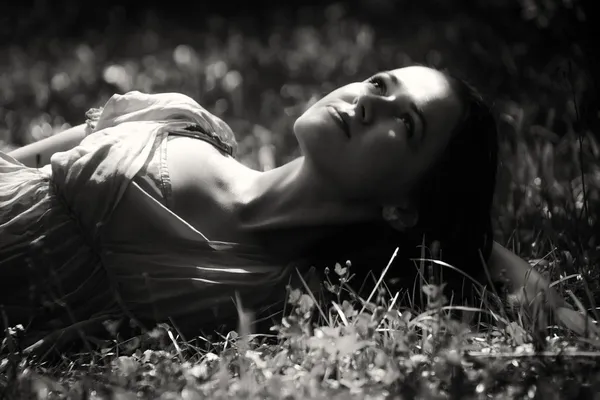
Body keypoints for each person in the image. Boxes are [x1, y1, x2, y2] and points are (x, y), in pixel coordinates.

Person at [0, 66, 588, 355]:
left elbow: (523, 288)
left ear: (405, 205)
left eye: (404, 124)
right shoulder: (182, 118)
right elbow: (14, 166)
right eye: (380, 85)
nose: (367, 104)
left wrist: (473, 242)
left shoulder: (286, 293)